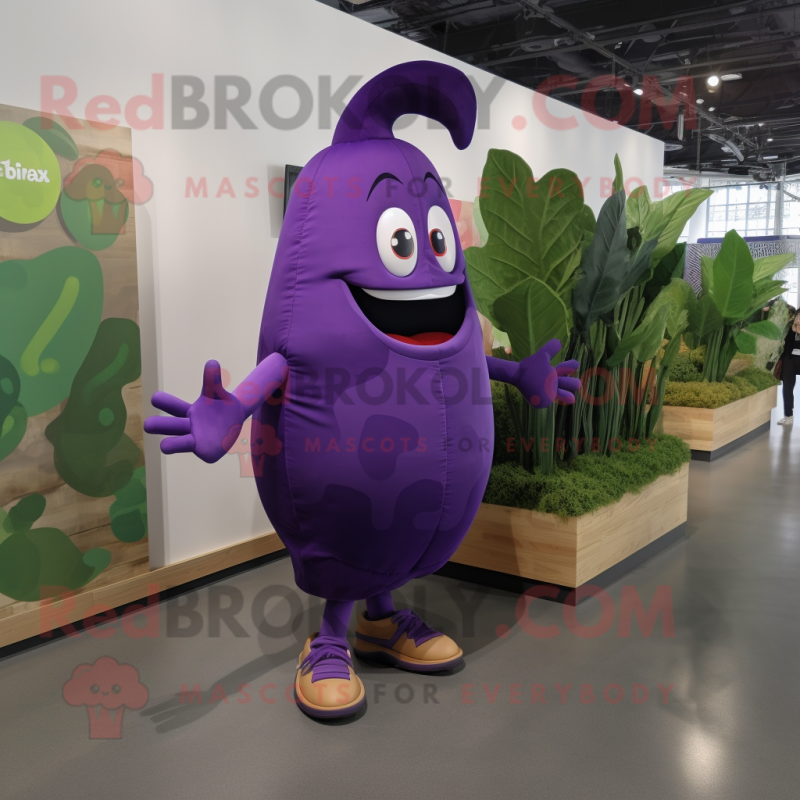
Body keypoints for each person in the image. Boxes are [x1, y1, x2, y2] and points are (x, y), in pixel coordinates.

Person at [778, 307, 800, 425]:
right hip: (790, 359)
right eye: (798, 316)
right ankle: (788, 415)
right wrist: (793, 330)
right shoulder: (790, 327)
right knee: (787, 387)